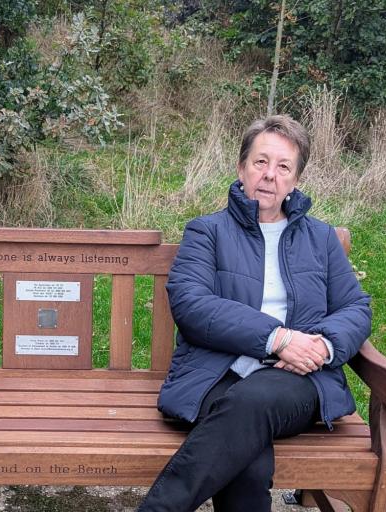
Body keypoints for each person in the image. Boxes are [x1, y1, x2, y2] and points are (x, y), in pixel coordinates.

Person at [137, 115, 372, 512]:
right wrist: (279, 338)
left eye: (283, 167)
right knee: (246, 462)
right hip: (217, 372)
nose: (269, 175)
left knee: (250, 402)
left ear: (296, 179)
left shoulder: (320, 239)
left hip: (297, 379)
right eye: (260, 162)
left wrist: (322, 347)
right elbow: (191, 302)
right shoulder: (206, 232)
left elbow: (356, 306)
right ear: (241, 168)